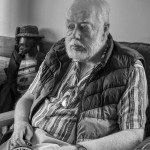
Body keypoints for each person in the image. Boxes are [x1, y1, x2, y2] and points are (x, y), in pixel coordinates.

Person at [0, 0, 148, 150]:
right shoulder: (58, 52)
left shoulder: (129, 66)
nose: (75, 35)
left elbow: (134, 134)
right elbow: (28, 97)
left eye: (84, 27)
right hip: (28, 139)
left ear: (104, 29)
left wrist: (80, 149)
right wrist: (20, 123)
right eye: (70, 26)